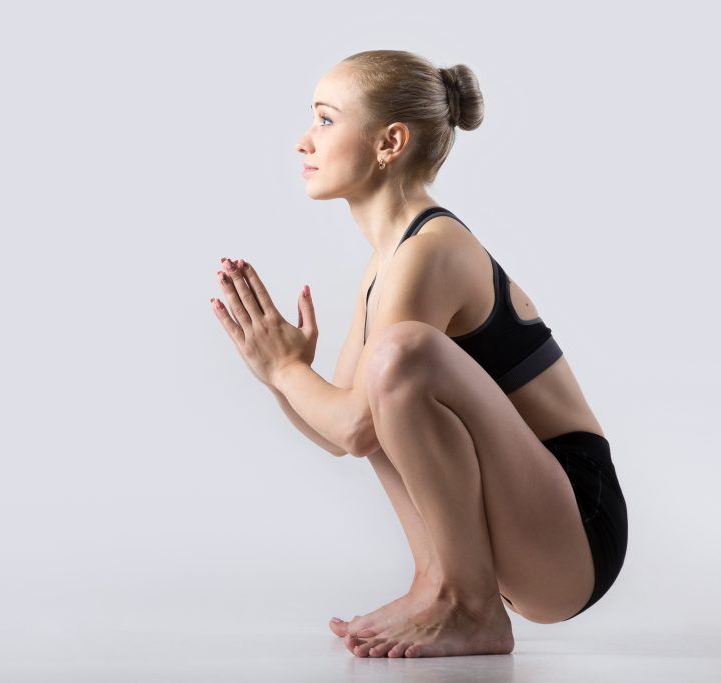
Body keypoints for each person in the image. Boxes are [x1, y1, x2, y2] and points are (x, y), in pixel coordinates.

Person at [209, 50, 627, 659]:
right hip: (529, 529)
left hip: (576, 531)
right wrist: (273, 372)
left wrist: (287, 369)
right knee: (384, 381)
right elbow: (344, 435)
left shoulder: (432, 250)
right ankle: (438, 584)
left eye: (325, 120)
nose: (304, 142)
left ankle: (470, 604)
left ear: (390, 142)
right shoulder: (385, 263)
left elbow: (352, 426)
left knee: (401, 355)